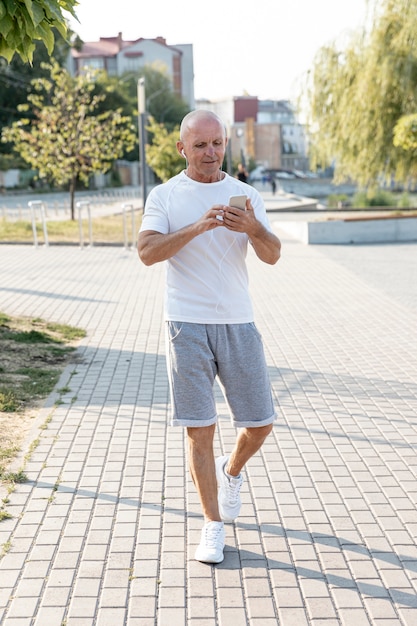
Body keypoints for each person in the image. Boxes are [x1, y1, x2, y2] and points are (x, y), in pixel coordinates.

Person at [137, 110, 281, 564]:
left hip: (238, 322)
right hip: (186, 323)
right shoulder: (165, 196)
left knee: (259, 423)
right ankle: (213, 525)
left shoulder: (247, 195)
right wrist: (199, 226)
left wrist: (252, 228)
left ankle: (232, 471)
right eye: (200, 145)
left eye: (217, 143)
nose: (211, 152)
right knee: (201, 430)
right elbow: (145, 252)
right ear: (182, 149)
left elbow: (273, 255)